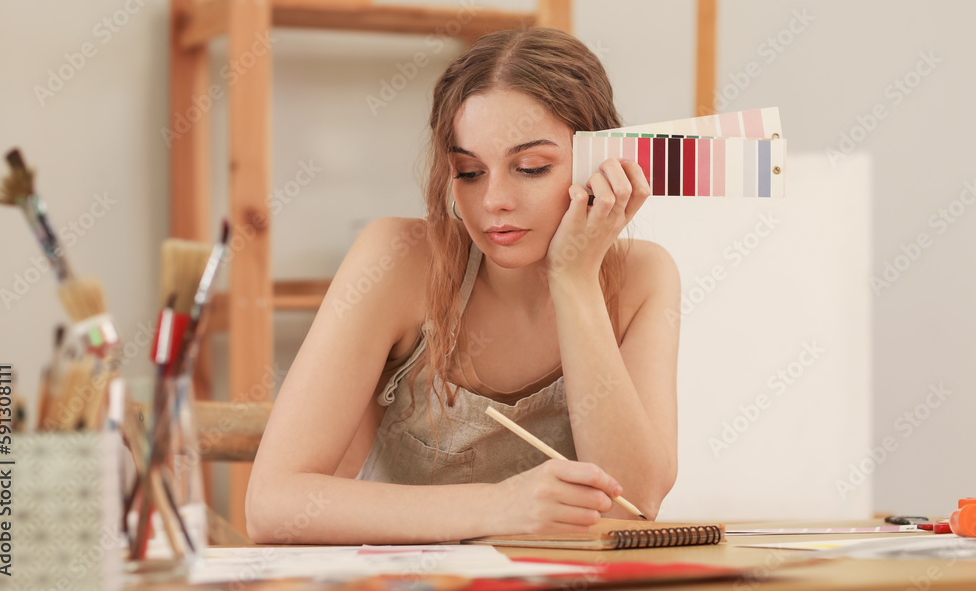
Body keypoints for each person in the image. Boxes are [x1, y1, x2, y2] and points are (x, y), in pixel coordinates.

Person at [246, 27, 680, 545]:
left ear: (601, 161)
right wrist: (500, 505)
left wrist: (574, 277)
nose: (493, 199)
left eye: (531, 168)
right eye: (469, 172)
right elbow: (272, 505)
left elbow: (635, 502)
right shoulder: (397, 261)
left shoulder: (643, 278)